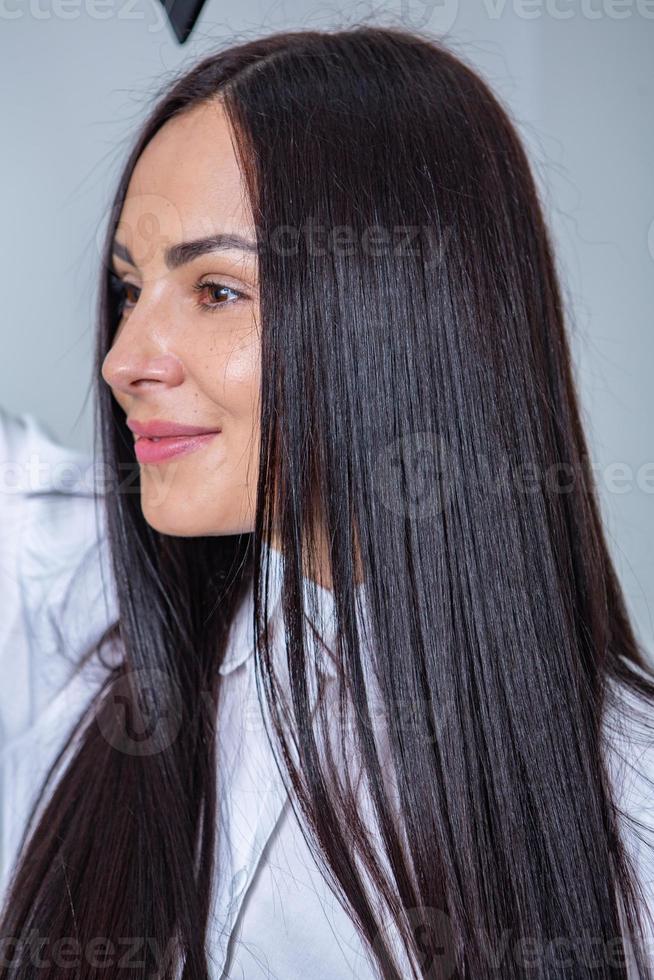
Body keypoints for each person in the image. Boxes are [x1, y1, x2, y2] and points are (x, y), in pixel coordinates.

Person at [1, 24, 653, 980]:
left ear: (399, 312)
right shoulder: (79, 629)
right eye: (130, 290)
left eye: (216, 290)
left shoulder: (627, 805)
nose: (124, 359)